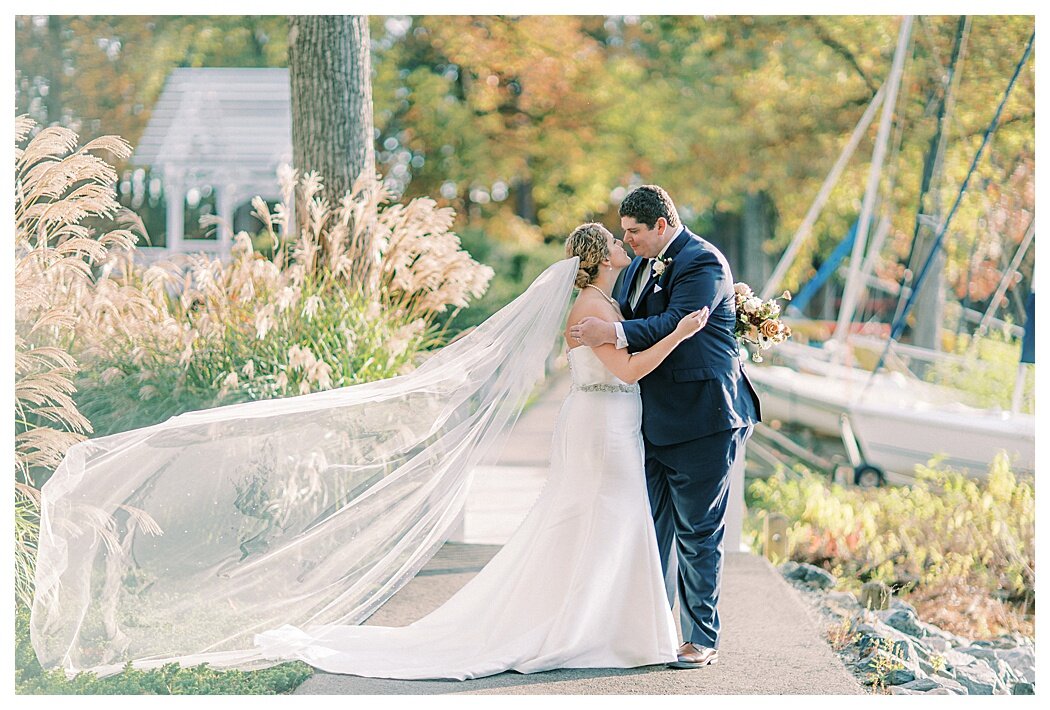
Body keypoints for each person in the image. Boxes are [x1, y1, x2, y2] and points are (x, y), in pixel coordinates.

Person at [252, 222, 709, 679]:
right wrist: (680, 335)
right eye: (614, 240)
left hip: (615, 422)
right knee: (605, 516)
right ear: (603, 257)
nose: (621, 244)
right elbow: (627, 372)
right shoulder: (590, 306)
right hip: (601, 426)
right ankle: (588, 631)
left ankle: (609, 628)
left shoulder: (609, 301)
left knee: (612, 521)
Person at [569, 185, 762, 669]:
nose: (627, 240)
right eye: (624, 232)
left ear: (662, 224)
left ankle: (702, 637)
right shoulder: (636, 265)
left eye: (634, 231)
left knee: (698, 531)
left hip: (704, 417)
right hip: (649, 420)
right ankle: (654, 631)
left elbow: (676, 321)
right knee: (651, 531)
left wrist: (610, 332)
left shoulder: (703, 262)